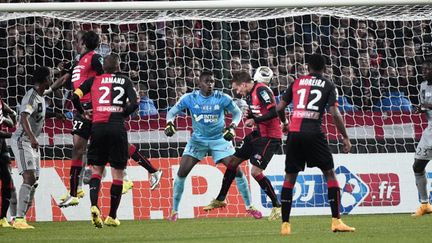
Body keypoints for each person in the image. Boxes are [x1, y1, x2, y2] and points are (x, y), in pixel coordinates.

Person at [47, 30, 161, 207]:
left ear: (83, 42)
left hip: (94, 107)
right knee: (79, 147)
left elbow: (106, 78)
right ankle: (75, 191)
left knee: (103, 144)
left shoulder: (95, 58)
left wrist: (106, 101)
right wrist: (48, 91)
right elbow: (66, 79)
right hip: (81, 110)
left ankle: (145, 172)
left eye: (77, 40)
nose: (74, 43)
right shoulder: (78, 61)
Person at [164, 71, 262, 221]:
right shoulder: (189, 98)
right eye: (206, 81)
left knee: (236, 170)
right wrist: (169, 123)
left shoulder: (222, 98)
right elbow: (171, 112)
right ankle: (174, 211)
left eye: (212, 81)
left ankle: (250, 207)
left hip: (219, 140)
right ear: (199, 83)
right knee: (182, 172)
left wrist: (232, 127)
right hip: (198, 141)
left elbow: (236, 113)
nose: (210, 84)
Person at [276, 53, 354, 235]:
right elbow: (335, 113)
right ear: (324, 68)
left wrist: (285, 123)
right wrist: (345, 137)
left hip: (294, 134)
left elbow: (279, 108)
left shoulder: (296, 82)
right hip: (314, 134)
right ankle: (336, 221)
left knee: (290, 177)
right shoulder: (328, 85)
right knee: (329, 173)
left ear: (308, 67)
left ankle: (285, 225)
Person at [204, 70, 284, 221]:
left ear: (244, 84)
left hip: (270, 137)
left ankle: (277, 205)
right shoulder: (248, 94)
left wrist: (255, 120)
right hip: (258, 134)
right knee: (233, 162)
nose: (237, 91)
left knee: (255, 172)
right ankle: (221, 199)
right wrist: (251, 116)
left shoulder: (261, 90)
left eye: (237, 88)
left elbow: (274, 112)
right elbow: (259, 112)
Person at [71, 54, 138, 228]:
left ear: (104, 67)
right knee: (117, 173)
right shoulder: (125, 81)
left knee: (96, 170)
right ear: (118, 66)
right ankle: (112, 216)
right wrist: (123, 113)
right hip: (117, 128)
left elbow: (75, 97)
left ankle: (94, 206)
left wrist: (83, 112)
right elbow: (135, 102)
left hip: (98, 128)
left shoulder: (93, 81)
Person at [10, 66, 62, 229]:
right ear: (44, 80)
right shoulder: (31, 97)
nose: (51, 80)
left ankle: (20, 218)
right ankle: (18, 219)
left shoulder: (41, 94)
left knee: (34, 181)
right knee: (29, 178)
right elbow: (23, 117)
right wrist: (32, 137)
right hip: (23, 140)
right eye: (50, 77)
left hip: (31, 142)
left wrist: (68, 72)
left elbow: (56, 86)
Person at [412, 59, 432, 216]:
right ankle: (425, 204)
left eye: (427, 69)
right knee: (417, 166)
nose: (424, 72)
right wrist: (421, 109)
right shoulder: (423, 86)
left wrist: (428, 106)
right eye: (422, 69)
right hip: (430, 131)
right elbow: (424, 105)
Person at [0, 99, 17, 227]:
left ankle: (2, 217)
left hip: (2, 147)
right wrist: (14, 135)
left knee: (8, 182)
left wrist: (12, 112)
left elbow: (11, 123)